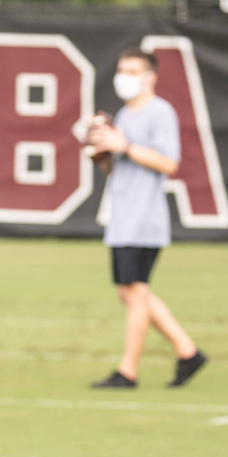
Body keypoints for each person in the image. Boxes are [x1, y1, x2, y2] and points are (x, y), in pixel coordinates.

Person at [86, 47, 206, 389]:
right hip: (123, 216)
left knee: (135, 292)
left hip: (143, 218)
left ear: (150, 76)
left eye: (133, 70)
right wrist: (98, 150)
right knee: (130, 292)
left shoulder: (159, 112)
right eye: (121, 69)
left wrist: (124, 146)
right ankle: (187, 351)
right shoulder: (124, 114)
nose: (124, 76)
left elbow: (169, 163)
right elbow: (119, 169)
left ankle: (129, 371)